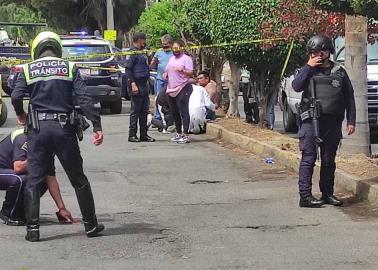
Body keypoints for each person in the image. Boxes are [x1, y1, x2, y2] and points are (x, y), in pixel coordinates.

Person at [12, 31, 104, 242]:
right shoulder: (69, 67)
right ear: (57, 48)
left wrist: (20, 114)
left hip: (38, 130)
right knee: (78, 179)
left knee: (34, 180)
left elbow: (16, 96)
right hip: (64, 129)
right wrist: (97, 125)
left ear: (36, 49)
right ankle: (90, 225)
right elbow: (84, 98)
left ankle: (33, 231)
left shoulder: (27, 68)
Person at [292, 35, 356, 208]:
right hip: (310, 122)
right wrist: (308, 67)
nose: (319, 55)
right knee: (309, 158)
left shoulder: (339, 71)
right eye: (315, 52)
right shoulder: (307, 70)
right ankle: (305, 196)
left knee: (329, 160)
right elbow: (296, 86)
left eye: (322, 51)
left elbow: (349, 97)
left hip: (332, 123)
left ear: (329, 51)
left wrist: (351, 120)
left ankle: (327, 194)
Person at [0, 129, 75, 226]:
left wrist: (62, 208)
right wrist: (39, 157)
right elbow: (18, 167)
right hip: (5, 170)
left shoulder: (48, 145)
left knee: (41, 179)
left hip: (9, 172)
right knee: (21, 179)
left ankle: (21, 211)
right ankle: (8, 213)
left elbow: (50, 178)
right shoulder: (24, 137)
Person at [126, 32, 155, 143]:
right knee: (135, 112)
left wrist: (149, 56)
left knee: (144, 111)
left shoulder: (142, 52)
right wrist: (133, 84)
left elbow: (147, 66)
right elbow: (128, 70)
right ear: (139, 40)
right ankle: (132, 135)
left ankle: (144, 134)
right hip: (136, 84)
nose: (144, 42)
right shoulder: (132, 52)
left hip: (144, 84)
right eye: (143, 40)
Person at [164, 39, 194, 144]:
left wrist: (182, 70)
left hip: (183, 87)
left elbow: (190, 73)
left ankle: (186, 135)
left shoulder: (187, 59)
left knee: (183, 111)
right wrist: (166, 74)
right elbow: (167, 69)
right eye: (173, 48)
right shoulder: (171, 59)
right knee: (174, 111)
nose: (175, 50)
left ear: (181, 48)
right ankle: (178, 133)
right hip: (171, 88)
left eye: (177, 48)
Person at [150, 34, 173, 120]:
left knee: (169, 98)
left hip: (171, 80)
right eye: (163, 44)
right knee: (158, 97)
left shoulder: (174, 52)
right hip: (160, 79)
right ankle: (157, 116)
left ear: (170, 43)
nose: (164, 46)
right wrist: (152, 62)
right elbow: (152, 64)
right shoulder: (159, 52)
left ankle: (170, 117)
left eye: (166, 44)